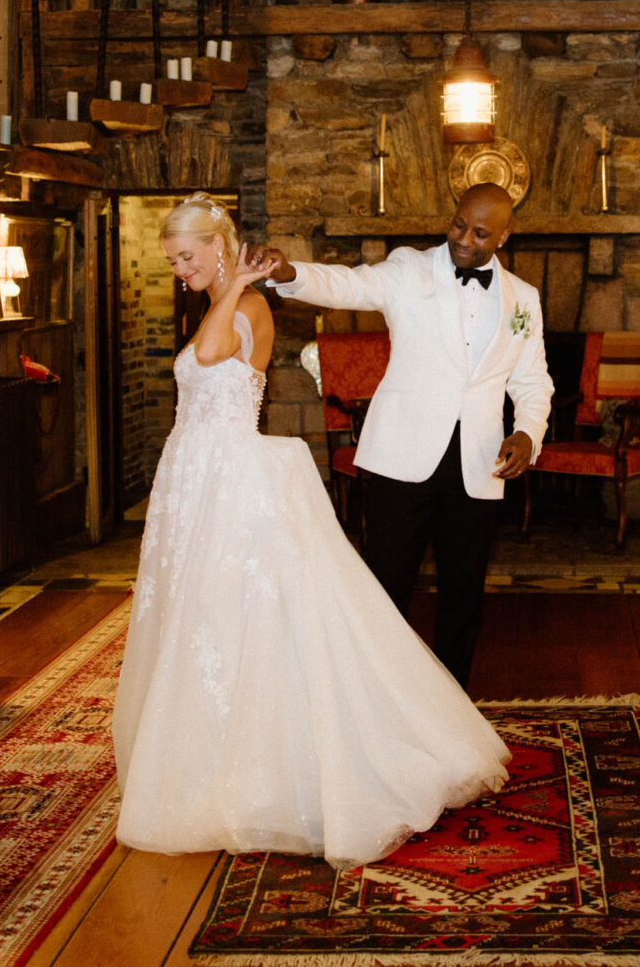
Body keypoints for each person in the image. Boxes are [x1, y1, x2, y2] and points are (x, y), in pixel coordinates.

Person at [111, 194, 509, 869]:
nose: (179, 270)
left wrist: (237, 281)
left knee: (243, 618)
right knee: (205, 620)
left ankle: (291, 766)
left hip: (231, 477)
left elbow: (210, 355)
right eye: (172, 260)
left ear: (217, 247)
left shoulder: (248, 306)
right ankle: (212, 752)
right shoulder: (221, 299)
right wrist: (222, 283)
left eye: (187, 257)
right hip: (196, 478)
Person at [252, 183, 552, 686]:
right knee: (385, 587)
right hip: (401, 458)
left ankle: (451, 702)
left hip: (479, 466)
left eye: (480, 233)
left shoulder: (525, 299)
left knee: (463, 593)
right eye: (459, 224)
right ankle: (377, 699)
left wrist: (527, 432)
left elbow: (533, 380)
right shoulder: (409, 269)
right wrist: (289, 273)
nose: (464, 238)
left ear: (504, 236)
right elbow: (347, 285)